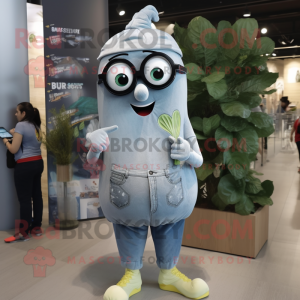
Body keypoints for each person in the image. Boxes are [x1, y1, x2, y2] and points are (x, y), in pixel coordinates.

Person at [3, 103, 44, 243]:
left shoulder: (21, 125)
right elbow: (31, 141)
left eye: (17, 112)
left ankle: (23, 233)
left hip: (25, 165)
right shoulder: (36, 125)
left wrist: (5, 141)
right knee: (37, 196)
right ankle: (36, 228)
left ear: (23, 114)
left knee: (25, 200)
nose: (15, 114)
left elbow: (14, 150)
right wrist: (15, 134)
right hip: (38, 163)